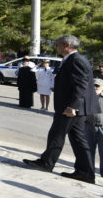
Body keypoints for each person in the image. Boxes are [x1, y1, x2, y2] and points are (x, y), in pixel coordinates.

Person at [23, 35, 101, 183]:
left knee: (56, 134)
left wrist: (72, 106)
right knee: (78, 139)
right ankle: (85, 172)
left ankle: (46, 163)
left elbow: (81, 86)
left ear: (67, 45)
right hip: (73, 106)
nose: (56, 46)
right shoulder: (72, 59)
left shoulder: (77, 60)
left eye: (58, 44)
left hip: (71, 107)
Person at [85, 78, 103, 180]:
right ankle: (89, 172)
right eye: (93, 86)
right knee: (88, 151)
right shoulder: (87, 96)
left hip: (102, 127)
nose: (95, 88)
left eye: (97, 86)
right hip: (89, 126)